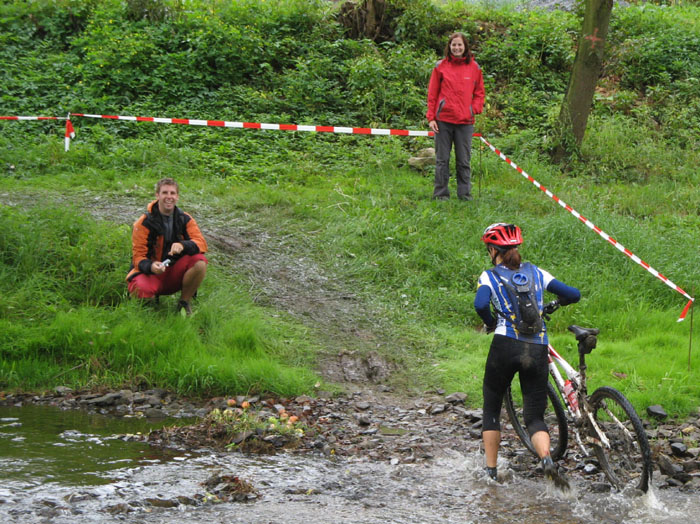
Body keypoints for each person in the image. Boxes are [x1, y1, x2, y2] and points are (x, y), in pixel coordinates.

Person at [473, 223, 580, 489]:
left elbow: (479, 304)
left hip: (505, 345)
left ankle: (491, 472)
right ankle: (546, 459)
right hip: (537, 346)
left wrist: (490, 322)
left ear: (492, 250)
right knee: (534, 417)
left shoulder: (489, 276)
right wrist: (557, 304)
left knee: (491, 408)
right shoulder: (537, 273)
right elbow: (573, 294)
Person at [126, 178, 208, 315]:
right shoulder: (143, 223)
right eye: (165, 193)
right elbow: (138, 258)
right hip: (151, 273)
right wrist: (151, 266)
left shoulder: (185, 219)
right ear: (157, 195)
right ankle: (146, 306)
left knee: (200, 262)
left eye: (172, 193)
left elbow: (202, 244)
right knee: (140, 288)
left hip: (174, 272)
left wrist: (183, 245)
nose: (169, 197)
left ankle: (184, 303)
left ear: (177, 197)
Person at [426, 32, 485, 200]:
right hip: (443, 121)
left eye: (460, 45)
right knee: (442, 161)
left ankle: (464, 195)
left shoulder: (475, 68)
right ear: (449, 47)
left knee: (464, 161)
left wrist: (473, 109)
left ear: (465, 47)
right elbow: (432, 94)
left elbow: (480, 93)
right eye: (454, 45)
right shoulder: (440, 67)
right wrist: (431, 117)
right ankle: (441, 195)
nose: (457, 48)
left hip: (465, 122)